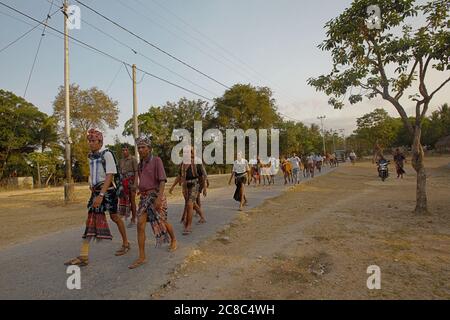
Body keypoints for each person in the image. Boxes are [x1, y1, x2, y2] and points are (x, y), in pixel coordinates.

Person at [64, 129, 130, 267]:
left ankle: (125, 243)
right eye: (89, 141)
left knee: (115, 217)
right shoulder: (91, 156)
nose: (91, 143)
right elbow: (92, 173)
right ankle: (83, 255)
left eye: (93, 141)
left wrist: (101, 195)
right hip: (95, 191)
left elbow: (110, 175)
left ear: (100, 142)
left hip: (107, 192)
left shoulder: (107, 154)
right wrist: (91, 184)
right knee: (91, 220)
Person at [129, 137, 177, 269]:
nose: (140, 150)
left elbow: (162, 181)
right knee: (140, 225)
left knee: (163, 222)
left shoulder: (157, 161)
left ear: (149, 149)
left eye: (143, 147)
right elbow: (143, 182)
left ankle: (173, 239)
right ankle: (142, 256)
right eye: (139, 147)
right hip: (144, 198)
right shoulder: (140, 165)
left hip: (156, 196)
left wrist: (159, 198)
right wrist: (136, 188)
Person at [169, 146, 207, 235]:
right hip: (185, 186)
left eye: (188, 152)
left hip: (195, 184)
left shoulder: (197, 163)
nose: (186, 154)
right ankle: (202, 216)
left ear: (191, 153)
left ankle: (188, 226)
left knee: (190, 203)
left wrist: (204, 188)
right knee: (192, 203)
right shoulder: (183, 164)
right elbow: (179, 176)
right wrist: (172, 186)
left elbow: (202, 177)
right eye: (185, 152)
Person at [119, 144, 138, 227]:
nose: (124, 152)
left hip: (131, 181)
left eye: (126, 150)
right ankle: (125, 215)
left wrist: (135, 184)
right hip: (123, 182)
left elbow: (136, 172)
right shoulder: (121, 161)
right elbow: (120, 173)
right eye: (123, 150)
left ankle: (133, 219)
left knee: (132, 200)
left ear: (129, 150)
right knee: (124, 200)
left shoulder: (133, 159)